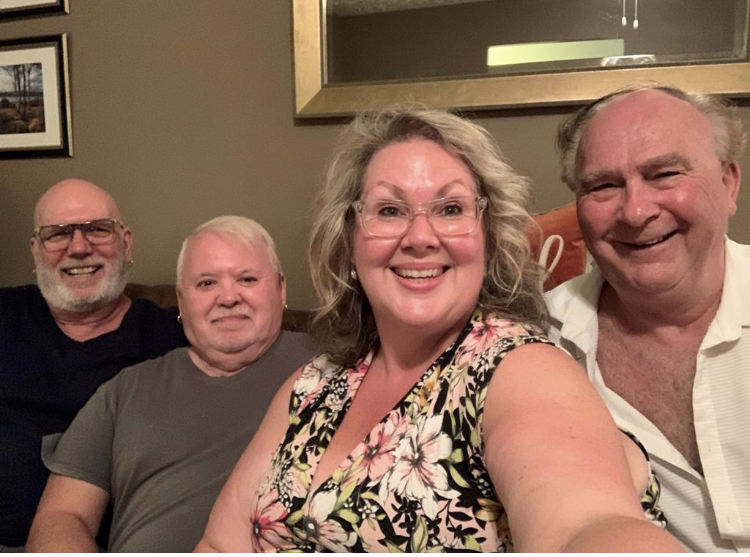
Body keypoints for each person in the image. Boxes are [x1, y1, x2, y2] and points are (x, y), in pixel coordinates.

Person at [196, 108, 683, 552]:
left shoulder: (518, 370)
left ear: (488, 237)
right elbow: (219, 545)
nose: (420, 237)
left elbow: (586, 523)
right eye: (390, 210)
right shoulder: (311, 386)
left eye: (450, 209)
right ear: (349, 240)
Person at [25, 216, 318, 552]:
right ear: (181, 300)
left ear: (281, 288)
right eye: (206, 283)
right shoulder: (125, 390)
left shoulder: (335, 365)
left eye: (247, 279)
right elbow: (62, 515)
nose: (228, 297)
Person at [547, 85, 748, 552]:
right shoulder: (537, 343)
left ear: (728, 184)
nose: (635, 212)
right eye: (603, 186)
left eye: (665, 174)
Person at [0, 179, 187, 550]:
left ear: (126, 243)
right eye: (58, 234)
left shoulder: (176, 338)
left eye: (98, 229)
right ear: (36, 250)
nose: (79, 247)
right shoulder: (5, 316)